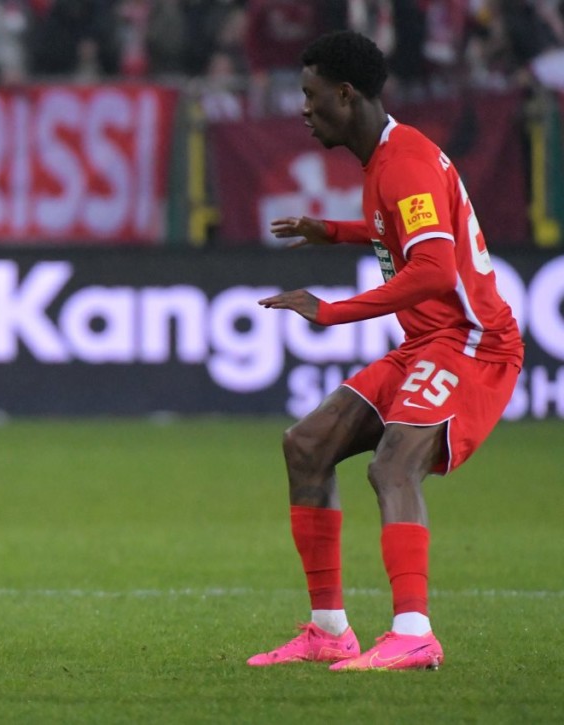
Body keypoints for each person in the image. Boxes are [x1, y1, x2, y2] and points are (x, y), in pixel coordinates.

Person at [250, 30, 523, 671]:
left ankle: (413, 632)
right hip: (428, 341)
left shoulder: (402, 164)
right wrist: (336, 231)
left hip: (470, 344)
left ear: (346, 95)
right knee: (307, 445)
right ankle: (328, 631)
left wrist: (333, 312)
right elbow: (397, 229)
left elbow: (432, 270)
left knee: (394, 466)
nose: (303, 109)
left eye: (311, 96)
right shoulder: (386, 159)